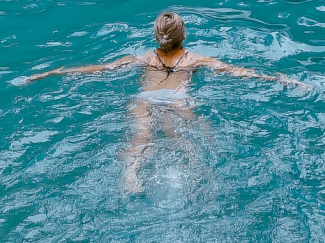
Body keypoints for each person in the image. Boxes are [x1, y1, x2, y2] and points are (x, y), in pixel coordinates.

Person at [18, 11, 303, 193]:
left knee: (140, 139)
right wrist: (282, 80)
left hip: (145, 99)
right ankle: (199, 176)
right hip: (179, 101)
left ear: (157, 35)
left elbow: (97, 70)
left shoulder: (142, 58)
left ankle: (131, 176)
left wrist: (50, 72)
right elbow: (241, 73)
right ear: (184, 35)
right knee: (186, 139)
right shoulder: (195, 60)